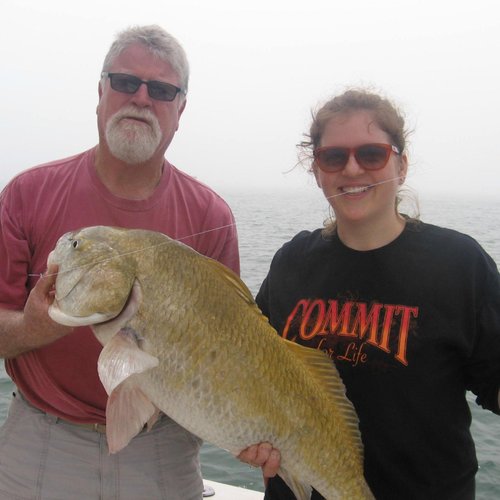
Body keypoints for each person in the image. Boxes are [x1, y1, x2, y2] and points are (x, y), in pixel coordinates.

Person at [0, 25, 240, 499]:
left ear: (181, 109)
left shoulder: (212, 215)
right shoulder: (26, 195)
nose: (142, 99)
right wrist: (33, 328)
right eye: (126, 82)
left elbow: (229, 353)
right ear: (100, 91)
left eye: (162, 89)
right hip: (43, 443)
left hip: (164, 449)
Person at [240, 88, 500, 499]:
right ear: (317, 170)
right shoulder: (292, 261)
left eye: (372, 154)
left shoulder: (459, 263)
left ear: (402, 164)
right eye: (334, 157)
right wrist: (249, 434)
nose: (353, 169)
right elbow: (248, 373)